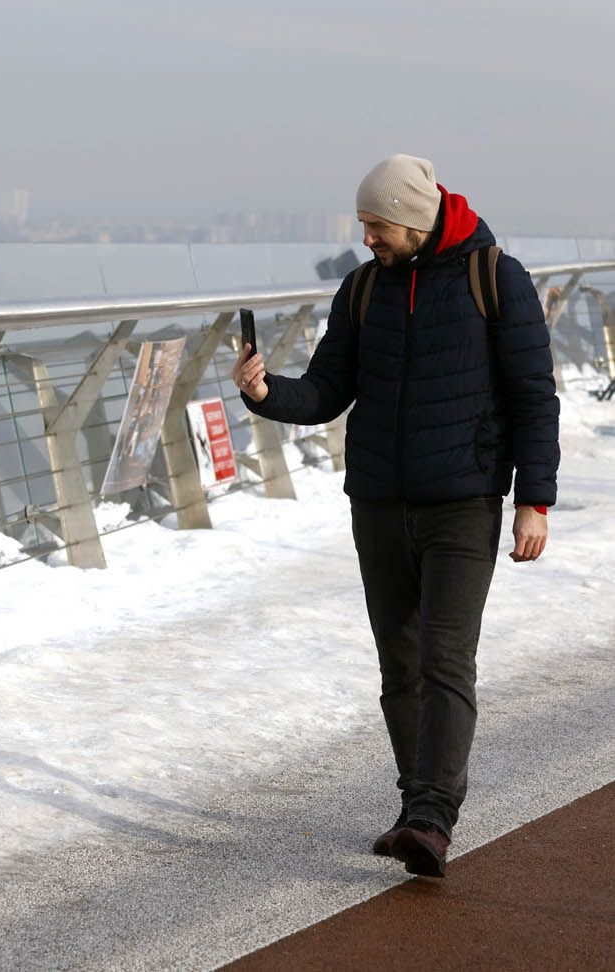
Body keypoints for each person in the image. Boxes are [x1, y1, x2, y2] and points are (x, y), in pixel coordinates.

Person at [233, 155, 559, 878]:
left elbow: (536, 395)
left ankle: (434, 819)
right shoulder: (362, 289)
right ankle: (416, 809)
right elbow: (325, 391)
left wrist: (534, 501)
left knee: (446, 659)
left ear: (414, 221)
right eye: (364, 226)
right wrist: (264, 392)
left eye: (377, 226)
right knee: (399, 665)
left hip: (465, 502)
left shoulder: (496, 277)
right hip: (378, 503)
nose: (368, 238)